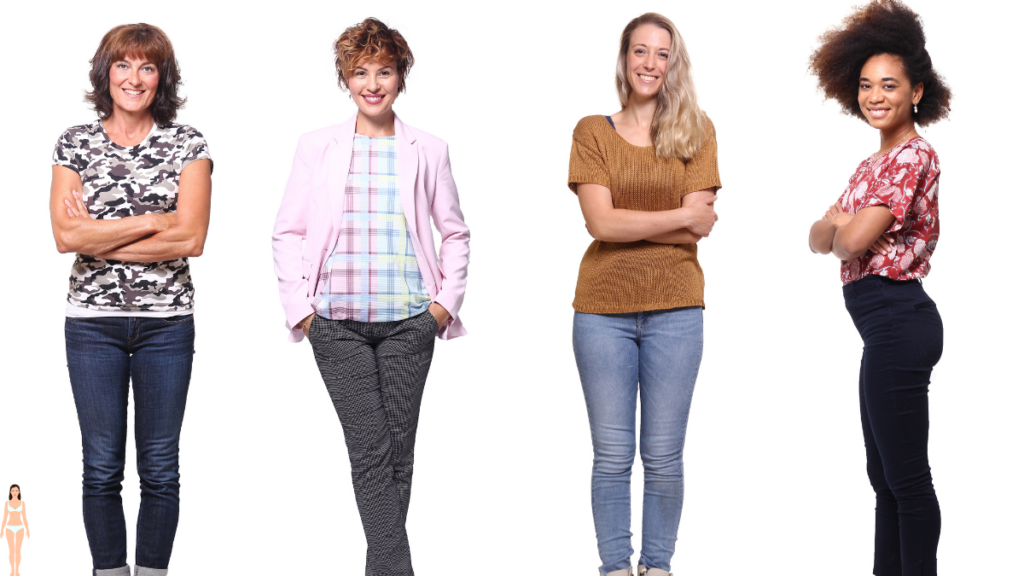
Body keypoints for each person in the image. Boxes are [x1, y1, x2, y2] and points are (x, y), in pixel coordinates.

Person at [271, 17, 469, 575]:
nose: (373, 83)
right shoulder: (318, 147)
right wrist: (302, 313)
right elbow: (288, 230)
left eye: (384, 70)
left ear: (401, 76)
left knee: (398, 458)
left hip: (410, 323)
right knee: (371, 454)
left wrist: (442, 307)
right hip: (335, 325)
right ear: (346, 78)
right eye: (361, 72)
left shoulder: (429, 149)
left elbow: (454, 231)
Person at [49, 23, 213, 576]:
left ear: (161, 77)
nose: (134, 78)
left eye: (147, 67)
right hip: (91, 324)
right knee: (100, 467)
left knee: (161, 467)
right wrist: (151, 221)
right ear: (106, 72)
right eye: (123, 65)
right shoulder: (75, 142)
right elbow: (67, 238)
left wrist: (104, 231)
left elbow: (192, 239)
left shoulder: (188, 143)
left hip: (167, 325)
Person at [567, 12, 721, 576]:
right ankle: (613, 568)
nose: (649, 63)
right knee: (611, 457)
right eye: (640, 51)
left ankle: (657, 567)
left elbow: (700, 227)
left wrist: (659, 220)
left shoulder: (698, 130)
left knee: (662, 457)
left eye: (661, 53)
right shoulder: (592, 132)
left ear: (672, 63)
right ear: (624, 58)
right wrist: (677, 214)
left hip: (677, 310)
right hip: (602, 311)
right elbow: (599, 225)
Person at [807, 2, 951, 574]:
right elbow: (816, 236)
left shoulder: (914, 155)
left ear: (916, 91)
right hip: (881, 329)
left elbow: (848, 238)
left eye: (889, 85)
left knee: (908, 480)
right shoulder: (871, 165)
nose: (875, 96)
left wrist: (844, 228)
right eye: (865, 85)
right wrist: (841, 230)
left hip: (899, 319)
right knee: (884, 478)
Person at [1, 485, 30, 576]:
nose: (14, 492)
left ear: (19, 492)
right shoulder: (7, 503)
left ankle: (16, 570)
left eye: (16, 490)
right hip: (9, 528)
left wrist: (27, 529)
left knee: (17, 551)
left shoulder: (22, 503)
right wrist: (1, 529)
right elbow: (5, 517)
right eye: (12, 490)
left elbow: (24, 517)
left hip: (20, 528)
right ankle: (12, 570)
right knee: (11, 551)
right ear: (10, 492)